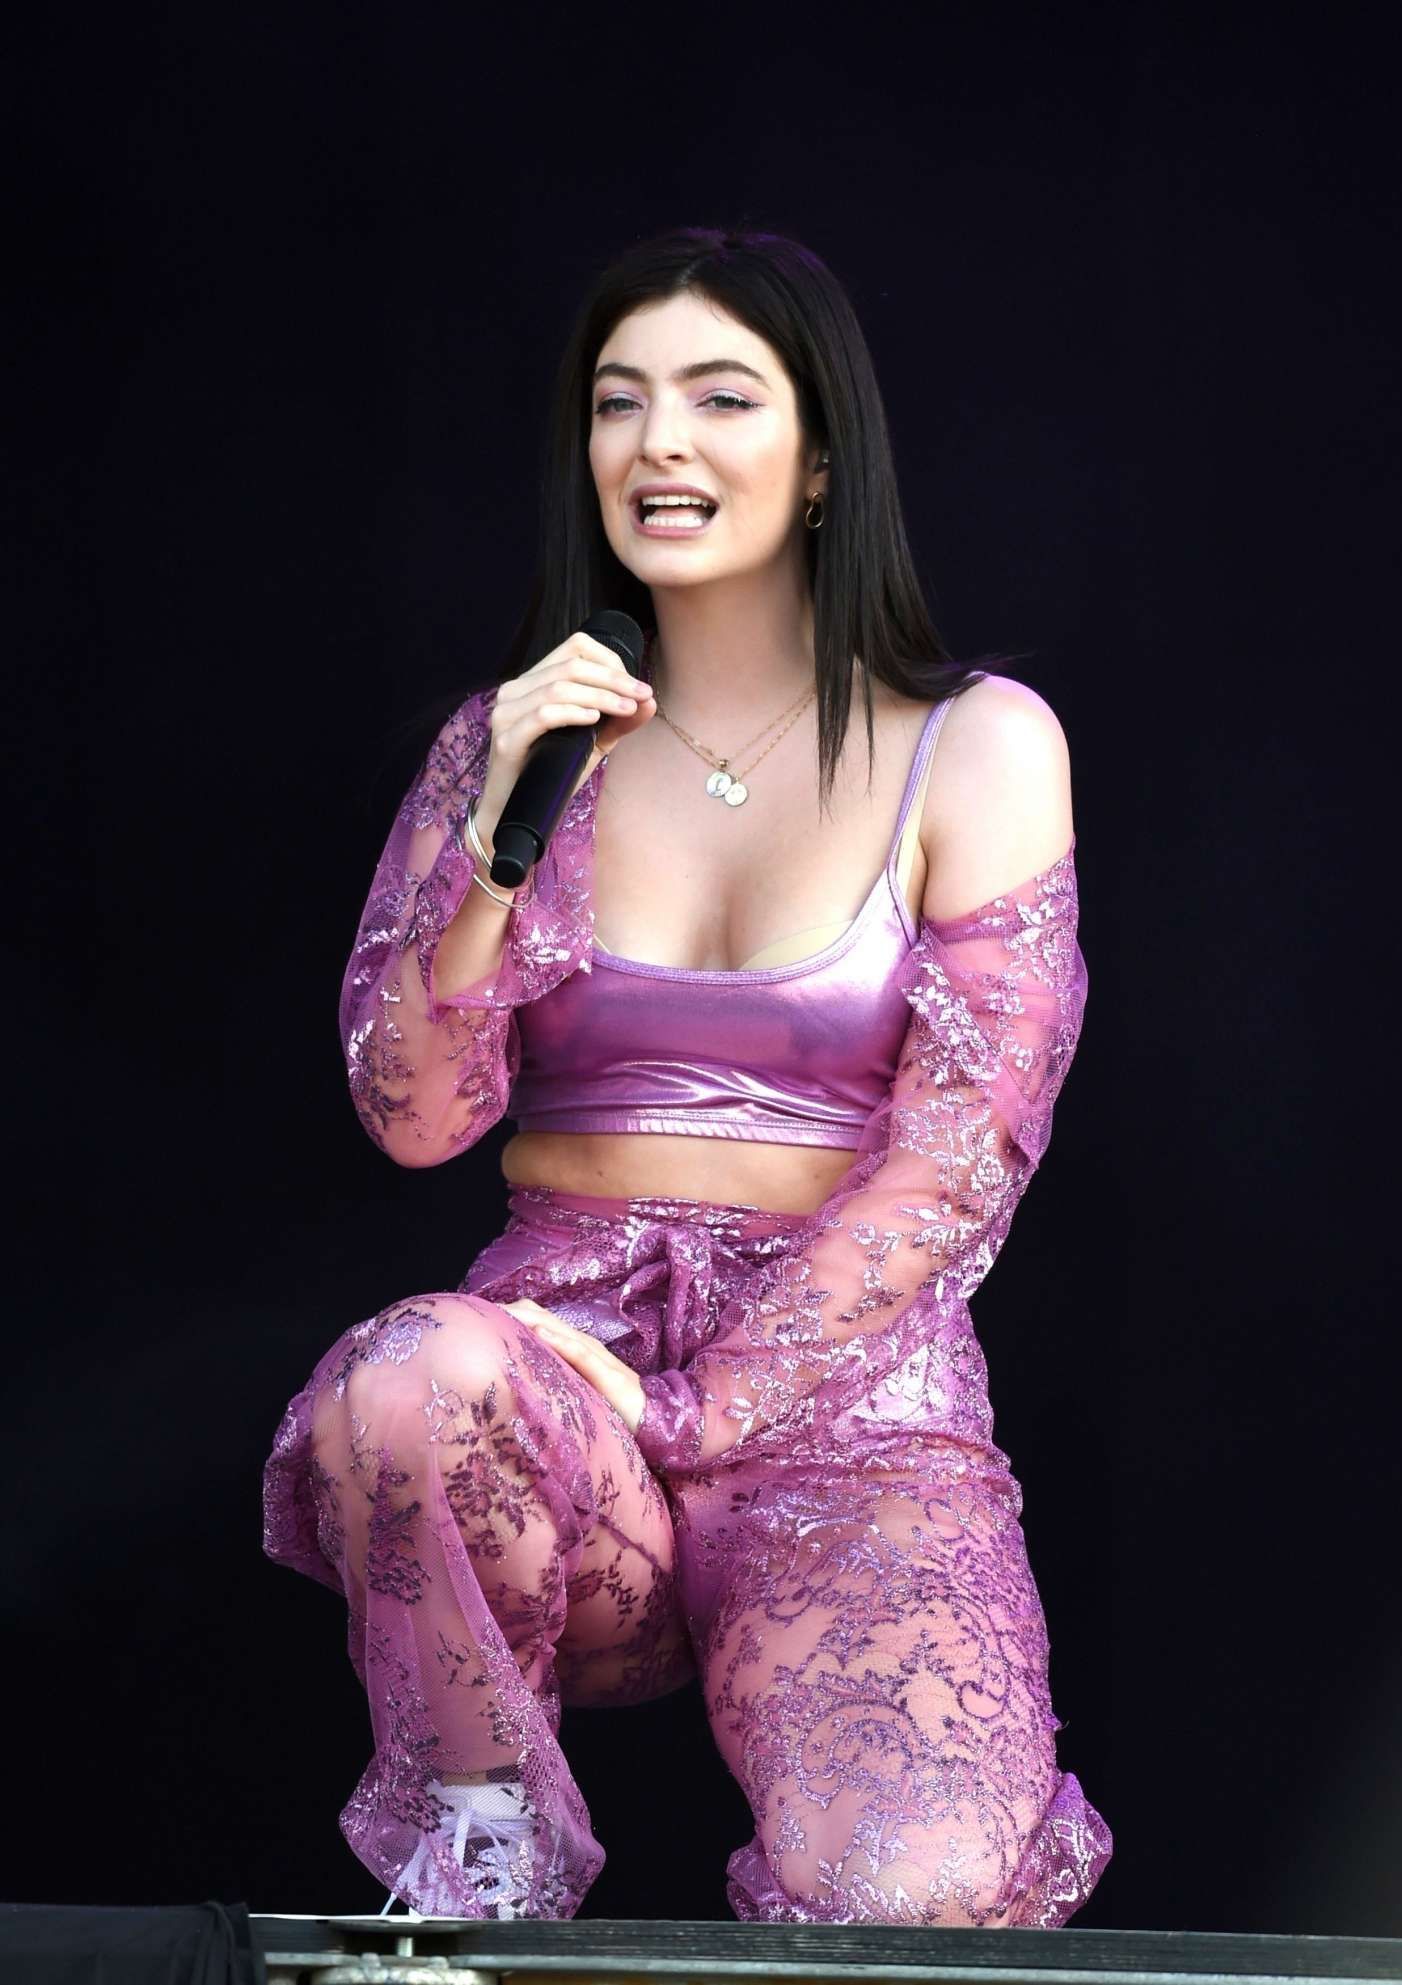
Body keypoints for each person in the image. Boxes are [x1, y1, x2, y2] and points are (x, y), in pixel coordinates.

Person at [262, 224, 1113, 1928]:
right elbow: (415, 1112)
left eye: (720, 398)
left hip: (846, 1410)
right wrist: (487, 841)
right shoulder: (512, 745)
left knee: (914, 1897)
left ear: (820, 459)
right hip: (562, 1378)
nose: (657, 442)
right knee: (402, 1378)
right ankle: (480, 1869)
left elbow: (956, 1167)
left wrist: (704, 1406)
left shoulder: (978, 742)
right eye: (618, 400)